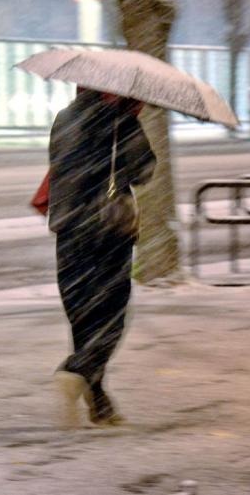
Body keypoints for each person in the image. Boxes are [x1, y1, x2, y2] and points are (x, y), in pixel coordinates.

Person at [48, 87, 156, 427]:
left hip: (68, 229)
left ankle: (99, 403)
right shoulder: (121, 121)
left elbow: (63, 167)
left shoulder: (63, 118)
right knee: (111, 315)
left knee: (83, 315)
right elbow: (144, 171)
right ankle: (75, 371)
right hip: (108, 232)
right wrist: (129, 127)